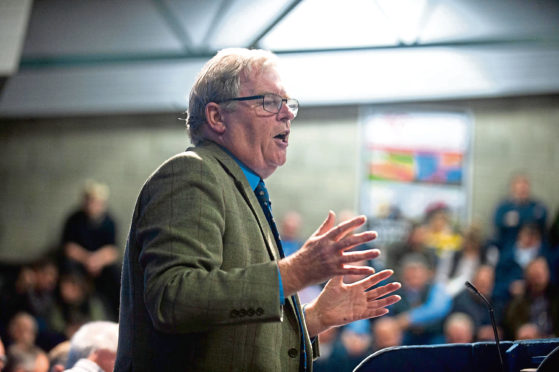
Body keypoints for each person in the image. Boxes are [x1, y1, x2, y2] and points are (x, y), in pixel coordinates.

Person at [115, 48, 401, 372]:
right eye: (269, 102)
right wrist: (296, 272)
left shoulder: (242, 188)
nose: (287, 114)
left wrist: (315, 317)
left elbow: (234, 343)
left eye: (288, 103)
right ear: (217, 117)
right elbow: (175, 300)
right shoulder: (191, 174)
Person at [60, 180, 121, 319]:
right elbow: (68, 248)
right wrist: (87, 260)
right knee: (69, 271)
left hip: (100, 266)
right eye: (90, 200)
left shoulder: (110, 221)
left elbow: (113, 250)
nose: (92, 205)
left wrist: (97, 261)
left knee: (116, 274)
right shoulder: (74, 219)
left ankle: (116, 315)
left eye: (96, 201)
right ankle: (74, 316)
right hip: (79, 263)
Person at [493, 173, 548, 251]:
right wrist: (528, 218)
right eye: (519, 184)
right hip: (509, 249)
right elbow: (498, 222)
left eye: (525, 183)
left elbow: (543, 219)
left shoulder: (537, 206)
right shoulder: (503, 207)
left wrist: (517, 219)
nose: (523, 187)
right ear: (513, 187)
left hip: (533, 250)